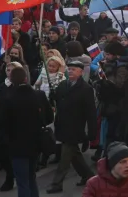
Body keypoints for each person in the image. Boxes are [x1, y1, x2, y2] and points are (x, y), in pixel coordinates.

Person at [46, 60, 97, 194]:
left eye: (74, 69)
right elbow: (58, 101)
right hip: (62, 125)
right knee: (75, 155)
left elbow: (91, 113)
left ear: (81, 72)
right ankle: (88, 176)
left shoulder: (86, 89)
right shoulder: (63, 85)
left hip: (75, 128)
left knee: (65, 157)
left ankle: (56, 183)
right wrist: (53, 96)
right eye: (69, 69)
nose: (70, 71)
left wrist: (92, 133)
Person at [2, 66, 54, 197]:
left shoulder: (8, 98)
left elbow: (3, 124)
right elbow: (49, 117)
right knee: (31, 178)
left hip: (17, 145)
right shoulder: (39, 95)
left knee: (22, 181)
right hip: (35, 143)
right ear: (26, 78)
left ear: (12, 80)